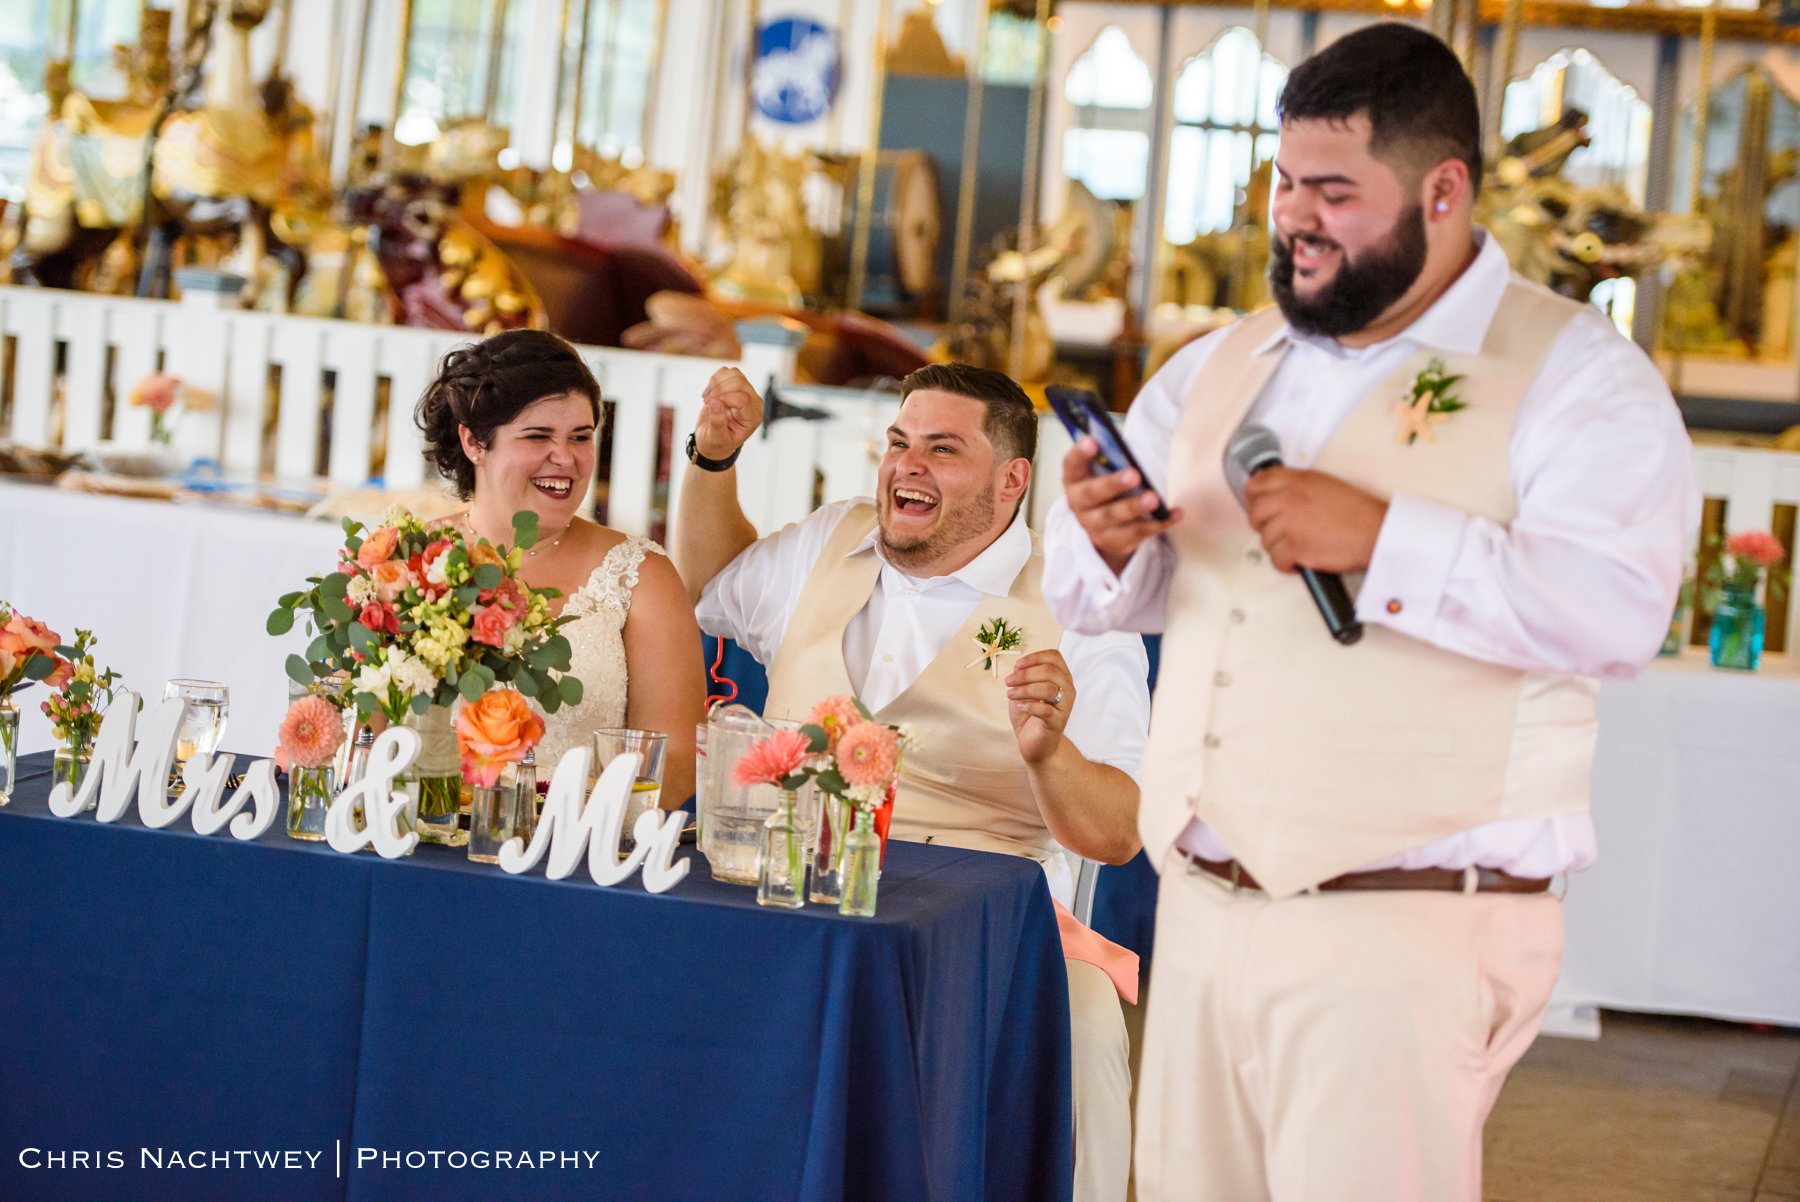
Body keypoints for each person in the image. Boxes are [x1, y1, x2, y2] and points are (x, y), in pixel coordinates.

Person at [1044, 25, 1696, 1202]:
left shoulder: (1577, 375)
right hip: (1199, 902)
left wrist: (1387, 539)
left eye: (1336, 192)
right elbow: (1122, 594)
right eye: (1285, 182)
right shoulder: (1219, 363)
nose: (1294, 217)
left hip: (1404, 924)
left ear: (1444, 191)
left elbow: (1617, 611)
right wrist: (1103, 538)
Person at [673, 361, 1148, 1202]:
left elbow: (1116, 832)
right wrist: (713, 461)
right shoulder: (830, 540)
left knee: (1082, 1021)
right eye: (898, 443)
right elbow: (713, 585)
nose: (906, 465)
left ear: (1012, 482)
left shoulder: (1079, 611)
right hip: (802, 908)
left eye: (941, 448)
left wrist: (1050, 755)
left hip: (991, 936)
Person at [416, 329, 706, 802]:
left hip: (581, 851)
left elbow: (673, 764)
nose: (565, 458)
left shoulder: (640, 576)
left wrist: (545, 814)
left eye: (580, 437)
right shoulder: (408, 561)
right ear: (474, 443)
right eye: (537, 436)